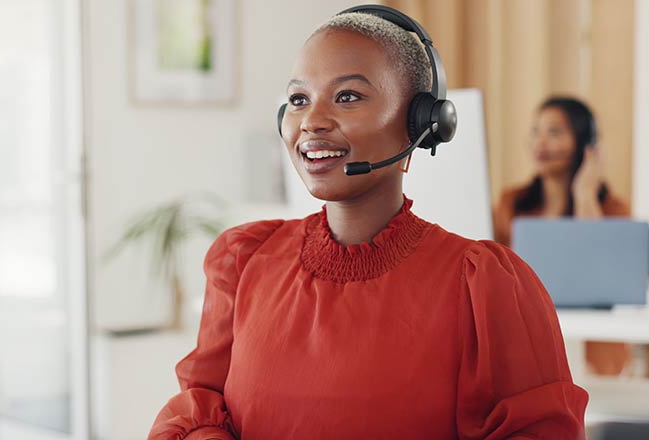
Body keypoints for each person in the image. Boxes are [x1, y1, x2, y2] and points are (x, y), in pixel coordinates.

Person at [148, 7, 587, 440]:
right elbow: (200, 406)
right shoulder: (243, 261)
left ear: (420, 123)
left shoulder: (484, 287)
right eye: (299, 99)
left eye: (348, 97)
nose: (312, 122)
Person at [493, 97, 632, 376]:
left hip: (590, 345)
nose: (540, 143)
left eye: (554, 133)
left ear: (583, 143)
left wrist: (585, 194)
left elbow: (600, 272)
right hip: (526, 336)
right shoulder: (512, 205)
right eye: (536, 132)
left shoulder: (612, 210)